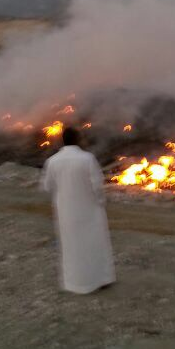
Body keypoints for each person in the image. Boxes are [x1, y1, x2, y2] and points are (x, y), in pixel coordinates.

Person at [41, 126, 115, 294]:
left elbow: (47, 186)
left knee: (72, 248)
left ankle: (75, 283)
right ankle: (101, 280)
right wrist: (101, 202)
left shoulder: (52, 161)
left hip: (66, 212)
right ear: (78, 139)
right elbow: (97, 186)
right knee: (94, 244)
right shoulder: (87, 158)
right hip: (89, 210)